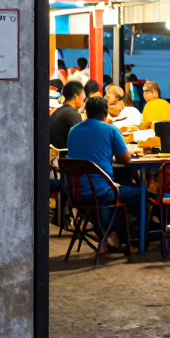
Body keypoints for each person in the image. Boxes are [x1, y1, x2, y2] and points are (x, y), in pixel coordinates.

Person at [66, 94, 140, 246]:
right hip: (102, 193)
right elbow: (125, 160)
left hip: (76, 192)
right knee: (141, 193)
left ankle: (109, 234)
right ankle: (128, 235)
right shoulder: (110, 130)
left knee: (119, 187)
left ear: (86, 112)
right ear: (106, 112)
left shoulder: (73, 131)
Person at [49, 80, 85, 147]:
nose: (84, 99)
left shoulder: (59, 111)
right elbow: (82, 138)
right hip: (65, 155)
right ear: (76, 96)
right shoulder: (71, 114)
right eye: (82, 96)